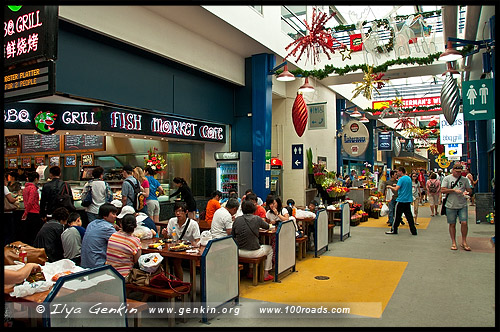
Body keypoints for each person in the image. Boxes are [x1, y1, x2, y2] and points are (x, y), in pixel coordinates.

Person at [232, 200, 274, 281]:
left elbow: (233, 234)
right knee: (269, 249)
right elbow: (267, 227)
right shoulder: (257, 219)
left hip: (238, 251)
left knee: (252, 244)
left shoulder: (237, 220)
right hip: (253, 252)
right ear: (254, 209)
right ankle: (266, 274)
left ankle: (250, 272)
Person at [161, 201, 200, 279]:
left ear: (186, 212)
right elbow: (167, 238)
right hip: (174, 249)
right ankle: (168, 282)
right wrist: (165, 234)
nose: (178, 213)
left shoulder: (193, 224)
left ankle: (180, 284)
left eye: (180, 211)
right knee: (162, 258)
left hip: (189, 251)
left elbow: (197, 241)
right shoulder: (172, 221)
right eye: (176, 211)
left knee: (176, 261)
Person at [442, 163, 473, 251]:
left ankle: (464, 241)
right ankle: (453, 242)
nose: (458, 173)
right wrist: (453, 190)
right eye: (457, 172)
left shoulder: (465, 180)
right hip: (450, 205)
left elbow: (469, 190)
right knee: (452, 224)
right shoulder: (447, 179)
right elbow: (442, 190)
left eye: (460, 172)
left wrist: (467, 193)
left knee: (464, 223)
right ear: (453, 170)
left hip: (462, 204)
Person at [80, 203, 118, 268]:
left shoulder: (92, 224)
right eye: (113, 214)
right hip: (97, 264)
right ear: (105, 216)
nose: (116, 216)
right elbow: (119, 243)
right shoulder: (107, 228)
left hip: (84, 262)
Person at [385, 167, 417, 236]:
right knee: (409, 216)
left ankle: (394, 230)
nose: (396, 173)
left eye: (397, 172)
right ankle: (413, 231)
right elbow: (404, 187)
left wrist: (390, 187)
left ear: (401, 171)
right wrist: (396, 185)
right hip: (408, 200)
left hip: (401, 200)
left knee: (397, 216)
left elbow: (396, 189)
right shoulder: (408, 178)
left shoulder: (401, 179)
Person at [21, 171, 43, 245]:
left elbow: (26, 201)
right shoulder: (33, 188)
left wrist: (25, 212)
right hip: (34, 213)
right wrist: (26, 213)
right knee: (34, 234)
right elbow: (30, 201)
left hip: (28, 212)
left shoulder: (25, 188)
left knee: (28, 234)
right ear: (36, 179)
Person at [144, 165, 165, 232]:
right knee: (157, 221)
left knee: (151, 221)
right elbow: (161, 189)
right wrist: (158, 195)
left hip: (149, 201)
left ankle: (153, 236)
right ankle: (158, 235)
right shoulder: (155, 180)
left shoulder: (145, 179)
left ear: (147, 172)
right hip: (156, 201)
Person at [4, 175, 18, 245]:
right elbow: (11, 200)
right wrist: (16, 199)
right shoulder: (4, 188)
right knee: (9, 232)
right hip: (7, 212)